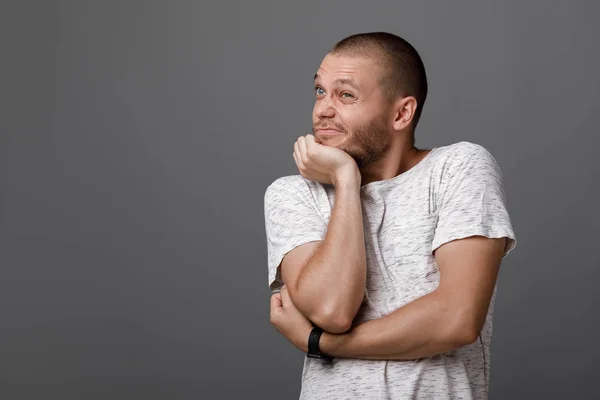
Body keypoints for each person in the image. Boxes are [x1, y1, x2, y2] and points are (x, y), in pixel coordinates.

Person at [263, 31, 516, 400]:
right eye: (320, 91)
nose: (323, 110)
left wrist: (321, 344)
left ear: (401, 113)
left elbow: (457, 319)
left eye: (345, 94)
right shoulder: (292, 194)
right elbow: (332, 311)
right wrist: (346, 180)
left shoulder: (459, 168)